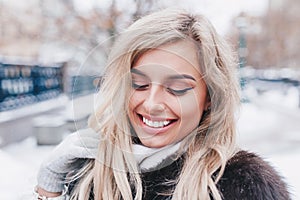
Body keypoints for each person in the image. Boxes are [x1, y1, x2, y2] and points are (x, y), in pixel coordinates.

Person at [35, 9, 290, 200]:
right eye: (139, 84)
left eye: (176, 88)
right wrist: (50, 185)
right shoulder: (91, 173)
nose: (153, 103)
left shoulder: (242, 186)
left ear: (210, 97)